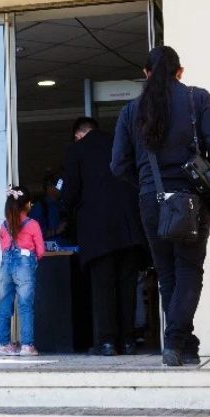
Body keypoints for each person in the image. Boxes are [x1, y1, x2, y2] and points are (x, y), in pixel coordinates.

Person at [111, 45, 210, 367]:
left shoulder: (130, 112)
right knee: (188, 269)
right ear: (180, 71)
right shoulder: (197, 98)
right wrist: (200, 173)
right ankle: (176, 341)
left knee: (167, 275)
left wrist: (149, 184)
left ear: (145, 73)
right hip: (192, 197)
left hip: (152, 200)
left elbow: (118, 164)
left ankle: (186, 345)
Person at [61, 117, 146, 356]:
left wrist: (69, 214)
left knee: (103, 286)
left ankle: (107, 342)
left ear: (79, 135)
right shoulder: (123, 144)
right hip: (130, 227)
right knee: (127, 286)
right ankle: (128, 341)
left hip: (98, 230)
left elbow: (70, 193)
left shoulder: (77, 150)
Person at [0, 185, 44, 356]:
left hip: (6, 265)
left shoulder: (3, 225)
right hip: (25, 264)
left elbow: (3, 247)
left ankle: (2, 345)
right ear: (26, 205)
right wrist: (32, 260)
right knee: (25, 306)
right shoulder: (32, 224)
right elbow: (41, 250)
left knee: (4, 304)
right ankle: (27, 345)